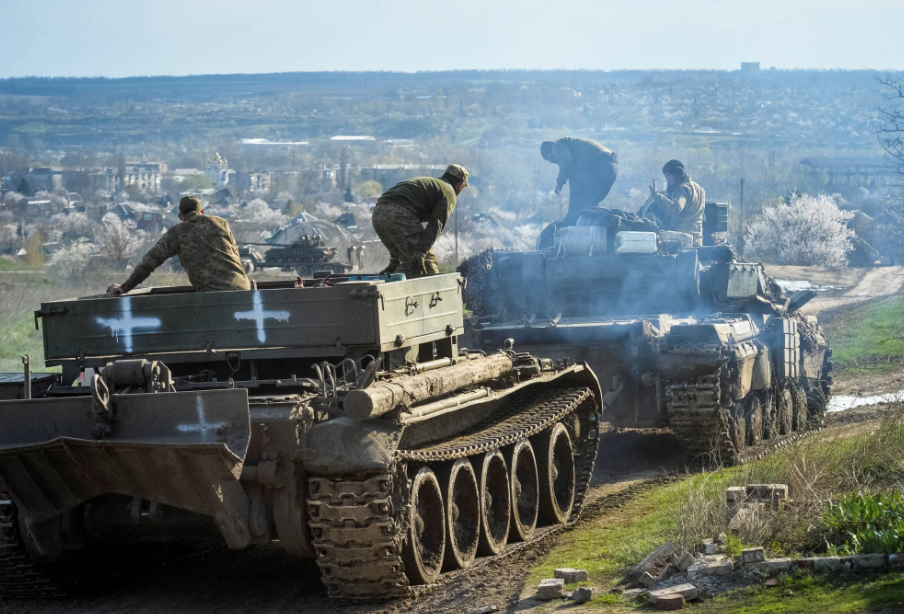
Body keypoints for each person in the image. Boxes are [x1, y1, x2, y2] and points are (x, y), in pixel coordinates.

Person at [106, 196, 251, 295]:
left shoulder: (177, 233)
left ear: (181, 216)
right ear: (202, 211)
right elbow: (235, 254)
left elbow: (148, 264)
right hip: (243, 289)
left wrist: (124, 288)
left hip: (212, 296)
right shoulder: (222, 223)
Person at [371, 164, 469, 278]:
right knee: (425, 260)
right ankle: (435, 289)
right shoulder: (449, 192)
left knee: (409, 260)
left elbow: (398, 230)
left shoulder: (434, 184)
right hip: (398, 211)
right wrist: (421, 252)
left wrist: (395, 259)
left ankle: (395, 284)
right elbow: (436, 225)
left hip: (378, 213)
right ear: (461, 185)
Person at [541, 137, 619, 227]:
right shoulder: (577, 159)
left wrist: (560, 182)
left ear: (551, 151)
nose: (550, 162)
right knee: (590, 205)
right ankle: (615, 222)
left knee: (580, 204)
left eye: (548, 158)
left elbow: (566, 161)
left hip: (600, 164)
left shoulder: (557, 145)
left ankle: (568, 227)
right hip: (611, 167)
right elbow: (576, 187)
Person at [646, 159, 706, 245]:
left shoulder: (683, 189)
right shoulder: (700, 190)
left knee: (649, 218)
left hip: (681, 240)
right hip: (697, 240)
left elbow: (675, 208)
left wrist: (656, 195)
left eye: (669, 175)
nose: (667, 179)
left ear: (677, 174)